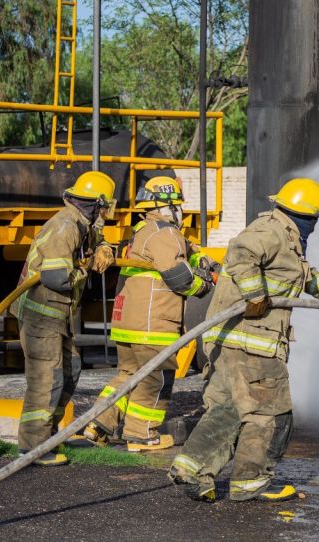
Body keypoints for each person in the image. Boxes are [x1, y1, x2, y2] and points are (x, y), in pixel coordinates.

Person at [167, 177, 319, 503]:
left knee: (229, 409)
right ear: (306, 216)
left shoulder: (284, 235)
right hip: (253, 343)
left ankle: (193, 471)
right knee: (271, 413)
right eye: (315, 221)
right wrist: (254, 295)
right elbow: (240, 253)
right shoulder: (273, 231)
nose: (316, 228)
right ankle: (250, 482)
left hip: (233, 341)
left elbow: (297, 273)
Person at [84, 176, 216, 452]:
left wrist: (201, 259)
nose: (180, 212)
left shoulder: (143, 231)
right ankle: (142, 435)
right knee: (156, 378)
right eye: (177, 206)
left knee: (128, 375)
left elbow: (180, 255)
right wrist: (204, 284)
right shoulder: (165, 233)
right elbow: (180, 278)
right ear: (166, 206)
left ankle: (99, 424)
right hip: (152, 322)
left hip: (128, 321)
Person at [12, 171, 117, 466]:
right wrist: (86, 268)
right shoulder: (65, 226)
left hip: (59, 316)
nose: (107, 213)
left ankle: (48, 436)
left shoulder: (83, 224)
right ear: (96, 204)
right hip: (40, 316)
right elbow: (57, 278)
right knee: (47, 378)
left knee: (70, 368)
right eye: (105, 206)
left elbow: (98, 240)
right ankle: (33, 447)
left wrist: (105, 249)